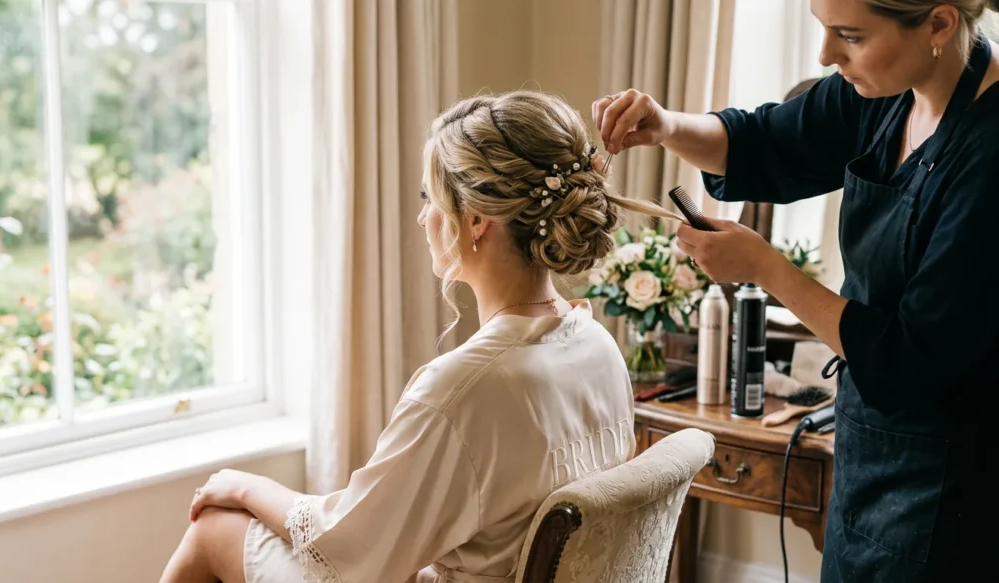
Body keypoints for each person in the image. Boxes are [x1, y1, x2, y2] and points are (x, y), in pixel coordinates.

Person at [159, 90, 675, 583]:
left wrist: (246, 486)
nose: (422, 215)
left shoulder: (465, 390)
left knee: (214, 529)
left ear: (475, 220)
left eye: (430, 197)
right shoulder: (599, 346)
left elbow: (345, 547)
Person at [595, 0, 999, 580]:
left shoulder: (987, 155)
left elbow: (912, 359)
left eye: (850, 36)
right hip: (864, 452)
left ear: (939, 24)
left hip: (952, 485)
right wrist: (666, 125)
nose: (826, 55)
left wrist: (767, 269)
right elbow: (762, 142)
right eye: (822, 29)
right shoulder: (886, 92)